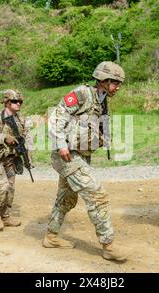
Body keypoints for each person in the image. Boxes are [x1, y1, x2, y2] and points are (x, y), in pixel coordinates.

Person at [43, 61, 131, 261]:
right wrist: (60, 144)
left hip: (80, 156)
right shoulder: (82, 94)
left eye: (119, 83)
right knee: (97, 195)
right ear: (103, 80)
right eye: (115, 82)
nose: (118, 87)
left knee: (66, 199)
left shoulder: (102, 101)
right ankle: (109, 246)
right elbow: (56, 116)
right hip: (67, 155)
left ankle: (51, 236)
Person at [0, 90, 32, 231]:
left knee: (10, 189)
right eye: (15, 101)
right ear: (7, 102)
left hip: (11, 159)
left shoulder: (20, 119)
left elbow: (26, 137)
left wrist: (28, 155)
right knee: (2, 187)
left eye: (20, 101)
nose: (18, 104)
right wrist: (3, 137)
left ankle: (5, 216)